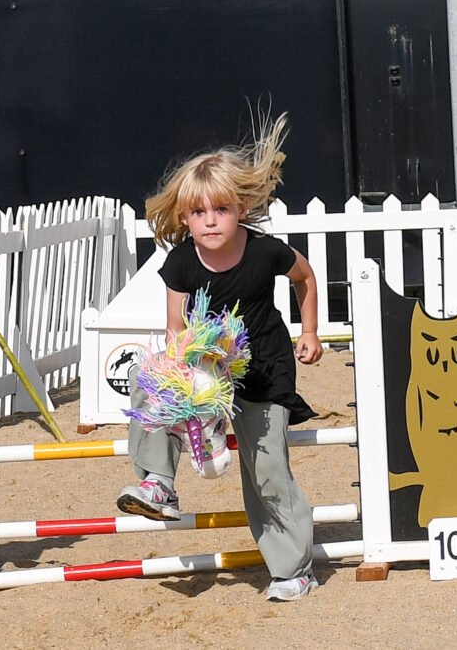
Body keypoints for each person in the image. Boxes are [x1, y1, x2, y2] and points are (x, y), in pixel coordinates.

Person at [116, 112, 324, 602]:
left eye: (222, 210)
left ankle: (294, 568)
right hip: (208, 369)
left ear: (242, 208)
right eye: (198, 213)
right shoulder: (181, 262)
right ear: (184, 217)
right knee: (151, 378)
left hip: (264, 370)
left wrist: (310, 330)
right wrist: (187, 379)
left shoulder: (267, 252)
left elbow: (307, 278)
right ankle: (159, 485)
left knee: (267, 469)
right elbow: (175, 332)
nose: (210, 221)